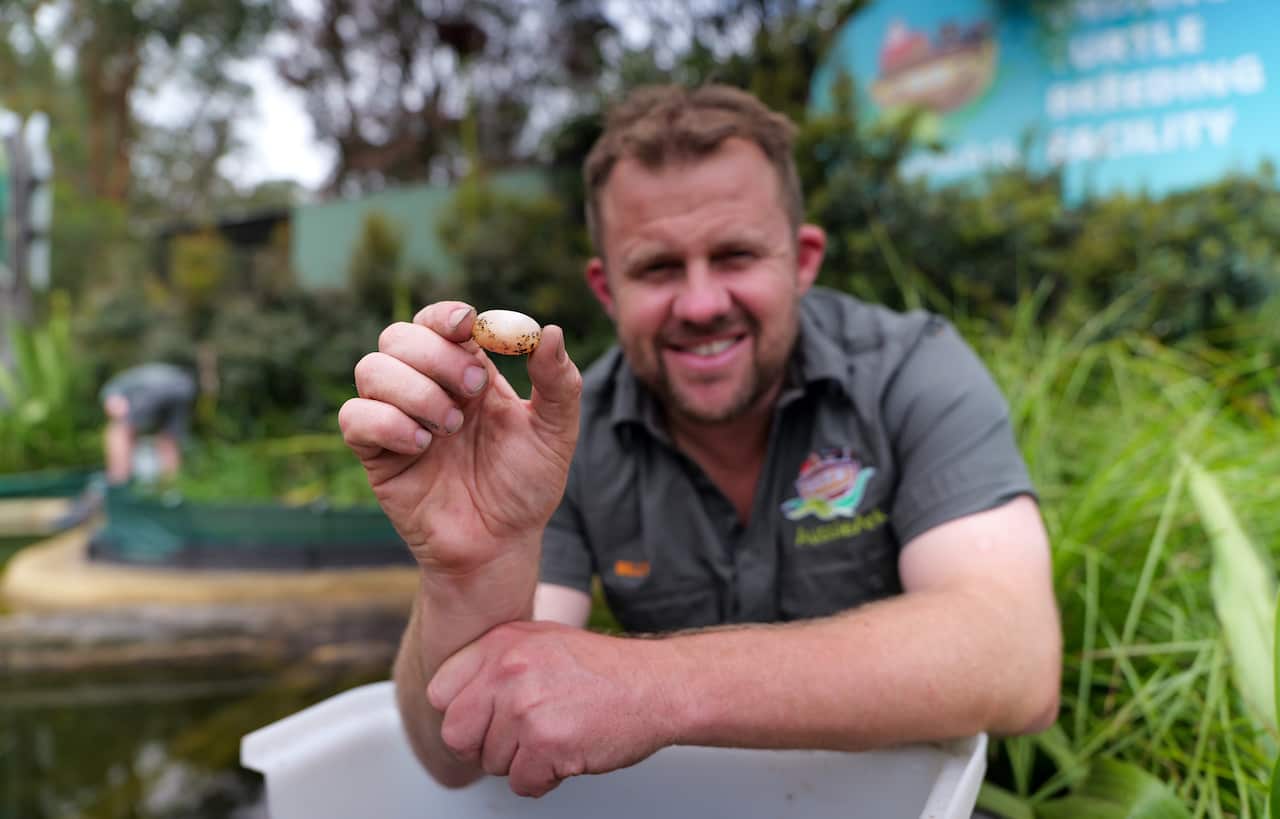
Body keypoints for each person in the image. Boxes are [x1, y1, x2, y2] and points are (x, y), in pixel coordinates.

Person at [339, 84, 1062, 798]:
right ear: (605, 287)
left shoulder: (914, 371)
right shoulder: (547, 437)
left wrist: (654, 685)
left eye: (736, 255)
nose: (702, 304)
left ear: (803, 259)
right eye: (656, 267)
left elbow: (1017, 655)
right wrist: (468, 569)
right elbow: (458, 755)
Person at [100, 362, 197, 485]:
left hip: (158, 387)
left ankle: (118, 478)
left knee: (119, 430)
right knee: (169, 439)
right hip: (184, 387)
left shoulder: (111, 390)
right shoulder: (131, 380)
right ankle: (171, 484)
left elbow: (116, 407)